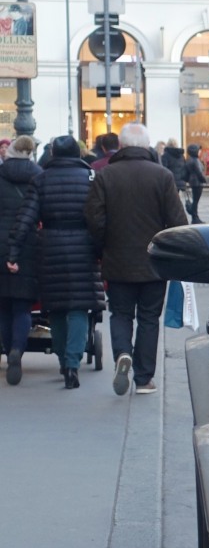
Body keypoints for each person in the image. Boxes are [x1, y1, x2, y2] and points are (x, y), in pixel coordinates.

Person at [85, 122, 188, 396]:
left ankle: (122, 353)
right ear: (145, 146)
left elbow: (94, 220)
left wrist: (102, 248)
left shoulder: (105, 176)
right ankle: (143, 379)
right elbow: (179, 222)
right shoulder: (163, 176)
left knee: (119, 313)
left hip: (117, 261)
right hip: (154, 262)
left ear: (121, 146)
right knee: (149, 318)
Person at [6, 135, 101, 389]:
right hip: (83, 247)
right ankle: (72, 363)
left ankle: (62, 358)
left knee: (56, 307)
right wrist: (102, 248)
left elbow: (25, 218)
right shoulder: (91, 178)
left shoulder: (41, 179)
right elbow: (101, 217)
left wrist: (13, 252)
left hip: (49, 246)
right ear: (78, 154)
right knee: (80, 307)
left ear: (53, 155)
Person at [0, 135, 41, 384]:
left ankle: (8, 352)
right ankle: (18, 348)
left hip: (1, 245)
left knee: (3, 304)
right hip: (29, 244)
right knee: (22, 305)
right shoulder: (39, 175)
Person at [183, 144, 207, 223]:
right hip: (197, 183)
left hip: (193, 182)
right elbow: (199, 172)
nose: (200, 152)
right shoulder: (195, 160)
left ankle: (195, 216)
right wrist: (204, 180)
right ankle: (195, 217)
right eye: (199, 150)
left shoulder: (190, 160)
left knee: (195, 200)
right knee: (196, 201)